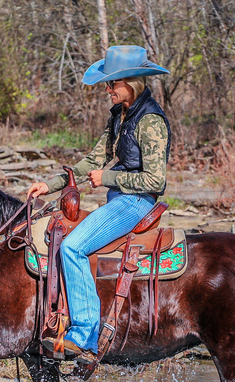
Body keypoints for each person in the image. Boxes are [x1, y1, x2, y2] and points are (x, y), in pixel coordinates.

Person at [26, 44, 171, 363]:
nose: (107, 89)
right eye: (107, 83)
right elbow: (92, 160)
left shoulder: (151, 121)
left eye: (112, 84)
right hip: (118, 198)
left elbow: (155, 182)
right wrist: (49, 185)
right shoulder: (120, 115)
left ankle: (84, 334)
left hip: (137, 203)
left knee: (73, 247)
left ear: (131, 82)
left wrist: (107, 179)